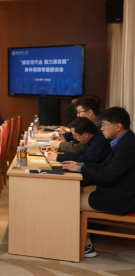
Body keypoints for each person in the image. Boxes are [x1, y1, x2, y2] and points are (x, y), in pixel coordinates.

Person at [62, 107, 135, 258]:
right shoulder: (125, 141)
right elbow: (106, 167)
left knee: (68, 199)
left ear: (118, 126)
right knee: (72, 191)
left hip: (121, 197)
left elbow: (108, 175)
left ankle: (86, 245)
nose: (101, 129)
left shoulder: (127, 146)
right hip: (116, 190)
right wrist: (81, 165)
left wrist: (81, 168)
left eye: (104, 125)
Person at [46, 117, 110, 165]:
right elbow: (79, 154)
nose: (75, 138)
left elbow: (83, 160)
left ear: (86, 135)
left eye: (75, 136)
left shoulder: (99, 142)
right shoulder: (93, 138)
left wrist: (58, 158)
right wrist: (58, 155)